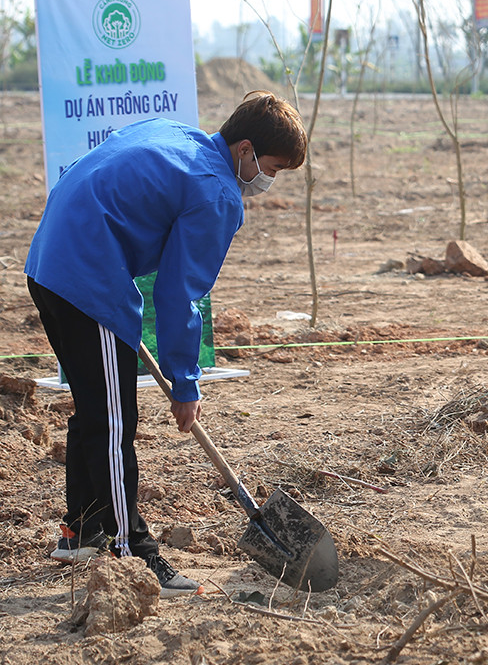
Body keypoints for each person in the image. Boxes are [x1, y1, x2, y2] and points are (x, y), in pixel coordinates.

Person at [25, 90, 308, 596]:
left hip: (49, 262)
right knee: (114, 422)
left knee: (98, 407)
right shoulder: (217, 192)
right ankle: (133, 552)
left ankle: (82, 529)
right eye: (273, 166)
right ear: (244, 149)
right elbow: (181, 293)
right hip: (86, 274)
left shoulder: (179, 135)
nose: (271, 179)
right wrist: (185, 380)